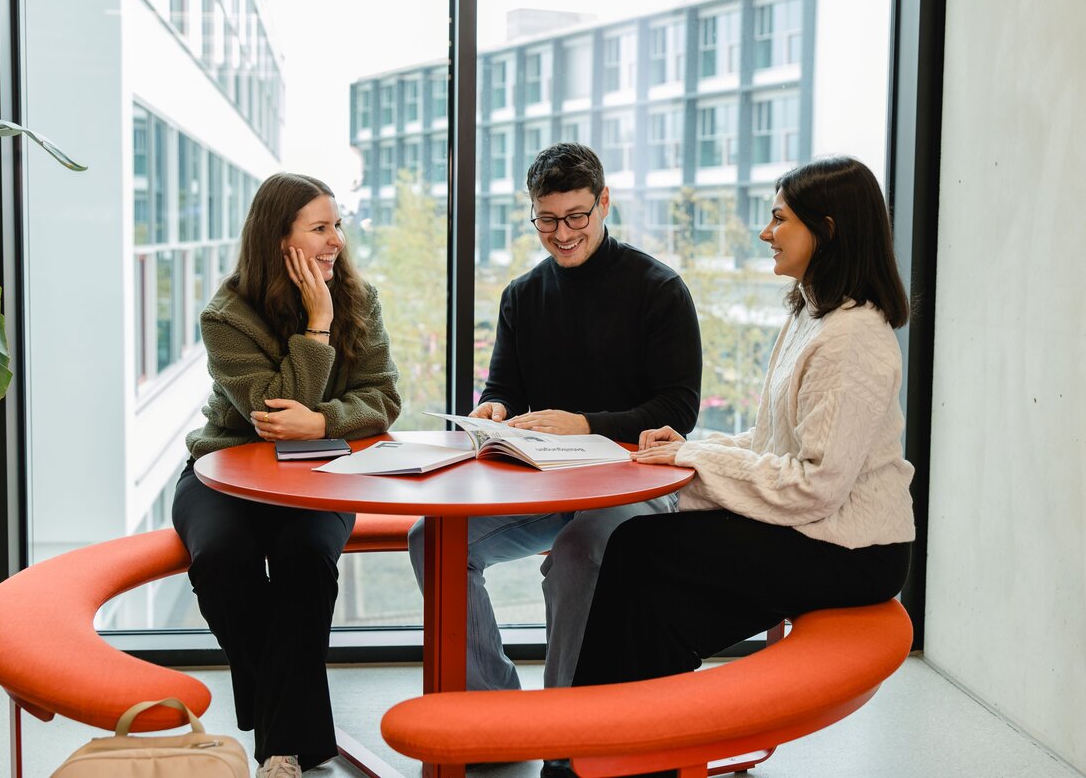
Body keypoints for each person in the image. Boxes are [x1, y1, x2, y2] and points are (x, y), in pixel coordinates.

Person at [571, 155, 915, 693]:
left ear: (826, 230)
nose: (765, 233)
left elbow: (815, 485)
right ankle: (619, 730)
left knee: (638, 546)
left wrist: (694, 458)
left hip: (855, 549)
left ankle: (592, 728)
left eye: (779, 219)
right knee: (656, 609)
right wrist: (690, 446)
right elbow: (772, 441)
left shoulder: (850, 339)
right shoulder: (812, 315)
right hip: (818, 530)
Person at [408, 143, 703, 702]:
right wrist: (494, 410)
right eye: (547, 220)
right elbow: (503, 389)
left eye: (576, 217)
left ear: (604, 203)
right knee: (432, 540)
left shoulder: (659, 290)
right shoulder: (522, 295)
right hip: (549, 483)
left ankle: (563, 725)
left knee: (577, 553)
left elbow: (677, 408)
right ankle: (493, 707)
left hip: (635, 484)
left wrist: (585, 424)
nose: (562, 233)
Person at [172, 173, 401, 778]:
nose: (337, 241)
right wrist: (317, 324)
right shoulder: (226, 315)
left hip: (322, 474)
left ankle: (281, 747)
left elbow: (383, 398)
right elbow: (271, 413)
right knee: (220, 559)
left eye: (337, 226)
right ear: (280, 239)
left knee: (305, 557)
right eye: (321, 228)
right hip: (225, 469)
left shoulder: (360, 299)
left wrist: (321, 422)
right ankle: (293, 728)